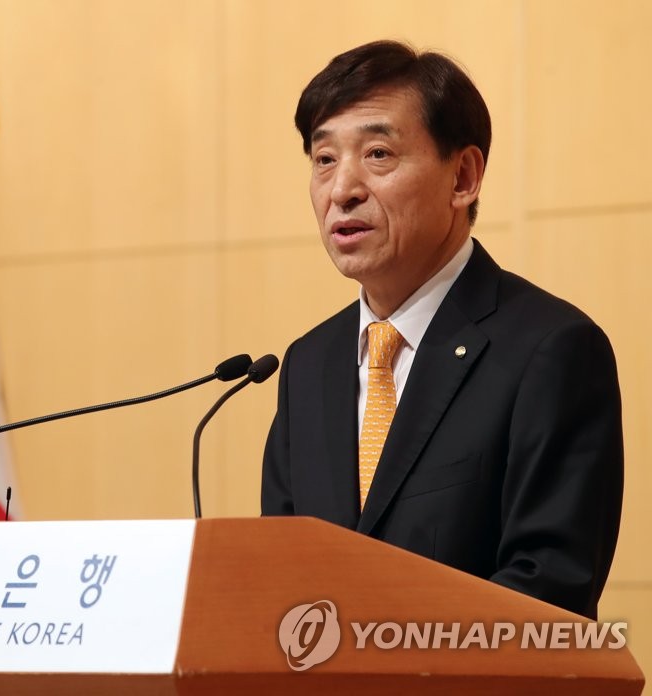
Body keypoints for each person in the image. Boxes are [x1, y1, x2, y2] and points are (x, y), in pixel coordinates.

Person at [261, 40, 623, 620]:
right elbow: (278, 580)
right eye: (324, 159)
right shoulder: (309, 364)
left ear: (463, 177)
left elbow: (548, 592)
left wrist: (375, 654)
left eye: (378, 154)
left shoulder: (550, 350)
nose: (342, 189)